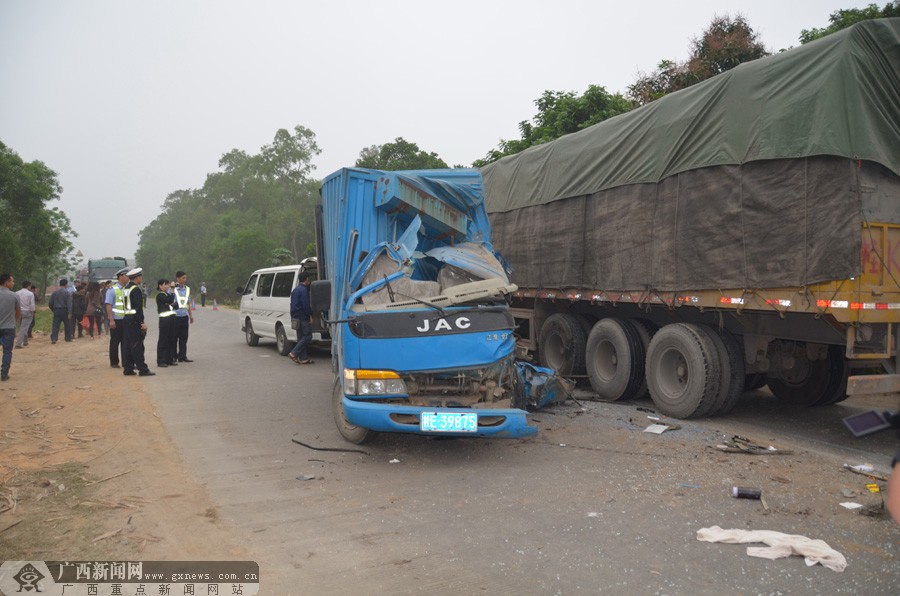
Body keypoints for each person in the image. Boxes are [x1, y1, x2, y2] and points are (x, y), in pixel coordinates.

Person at [121, 268, 154, 377]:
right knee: (137, 345)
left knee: (127, 345)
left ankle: (128, 368)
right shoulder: (136, 289)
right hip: (134, 320)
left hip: (126, 318)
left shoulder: (126, 288)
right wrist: (142, 322)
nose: (141, 279)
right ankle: (143, 369)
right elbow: (138, 308)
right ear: (136, 278)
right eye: (140, 277)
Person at [105, 269, 130, 368]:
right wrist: (111, 320)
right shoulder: (112, 290)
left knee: (126, 342)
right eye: (126, 275)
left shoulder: (127, 289)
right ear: (120, 276)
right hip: (116, 320)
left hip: (126, 320)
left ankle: (126, 362)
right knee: (115, 342)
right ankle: (114, 362)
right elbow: (108, 305)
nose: (128, 277)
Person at [288, 272, 314, 365]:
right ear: (306, 279)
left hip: (295, 317)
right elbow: (305, 305)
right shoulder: (303, 290)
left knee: (301, 337)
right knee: (308, 336)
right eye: (308, 279)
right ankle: (293, 353)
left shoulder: (295, 290)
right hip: (302, 316)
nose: (309, 281)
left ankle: (303, 358)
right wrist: (310, 314)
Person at [0, 273, 21, 381]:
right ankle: (4, 374)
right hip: (9, 327)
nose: (13, 283)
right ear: (6, 282)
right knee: (7, 351)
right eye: (12, 281)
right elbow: (18, 312)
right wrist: (14, 322)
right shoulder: (14, 296)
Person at [155, 278, 178, 368]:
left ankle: (169, 359)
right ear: (160, 286)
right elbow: (170, 301)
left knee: (171, 340)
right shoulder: (160, 295)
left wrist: (171, 304)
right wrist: (173, 290)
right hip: (164, 320)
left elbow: (173, 305)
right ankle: (161, 360)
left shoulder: (166, 294)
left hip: (171, 319)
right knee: (163, 340)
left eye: (168, 284)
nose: (168, 286)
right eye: (166, 284)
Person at [172, 270, 194, 362]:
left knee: (184, 337)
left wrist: (190, 315)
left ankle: (182, 356)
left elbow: (188, 303)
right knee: (174, 338)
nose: (185, 279)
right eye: (183, 278)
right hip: (175, 316)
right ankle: (173, 356)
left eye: (185, 278)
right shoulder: (172, 289)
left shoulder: (187, 289)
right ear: (177, 278)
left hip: (184, 316)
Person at [48, 278, 73, 343]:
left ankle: (54, 338)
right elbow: (69, 304)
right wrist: (70, 312)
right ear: (66, 284)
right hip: (65, 310)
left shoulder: (55, 293)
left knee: (55, 325)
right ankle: (68, 338)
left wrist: (53, 309)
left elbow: (50, 303)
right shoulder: (67, 292)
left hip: (56, 310)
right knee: (67, 325)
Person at [15, 281, 35, 348]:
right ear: (28, 286)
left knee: (23, 327)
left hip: (18, 311)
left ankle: (25, 341)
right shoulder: (30, 294)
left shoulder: (16, 293)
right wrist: (32, 313)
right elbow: (32, 305)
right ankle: (18, 344)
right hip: (27, 312)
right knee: (24, 328)